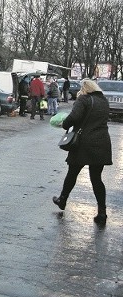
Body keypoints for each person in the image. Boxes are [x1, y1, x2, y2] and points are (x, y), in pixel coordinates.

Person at [52, 79, 112, 224]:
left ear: (84, 88)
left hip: (83, 143)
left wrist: (64, 124)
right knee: (96, 178)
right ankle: (102, 212)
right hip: (102, 142)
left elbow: (74, 117)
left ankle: (62, 199)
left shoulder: (84, 99)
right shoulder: (104, 101)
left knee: (72, 173)